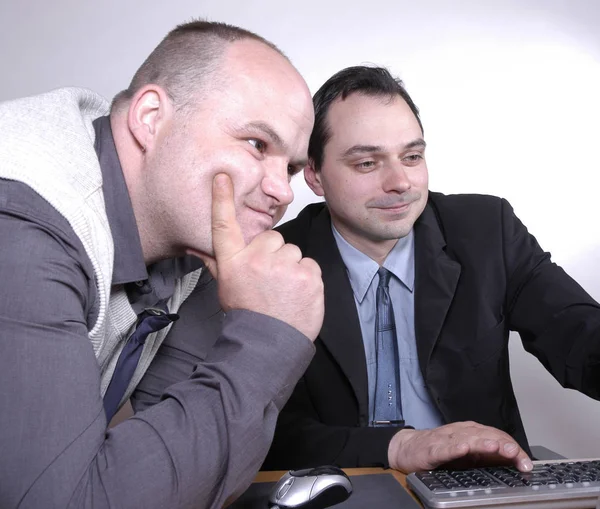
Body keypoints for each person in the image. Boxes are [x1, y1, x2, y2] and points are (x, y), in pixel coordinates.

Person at [0, 19, 324, 509]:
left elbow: (185, 475)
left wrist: (244, 313)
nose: (283, 191)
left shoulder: (187, 234)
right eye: (257, 144)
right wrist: (268, 337)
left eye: (293, 167)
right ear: (151, 118)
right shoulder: (21, 222)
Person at [258, 65, 600, 473]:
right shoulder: (274, 259)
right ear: (314, 174)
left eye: (412, 156)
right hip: (341, 488)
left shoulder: (488, 230)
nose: (400, 182)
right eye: (367, 163)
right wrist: (399, 446)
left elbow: (578, 335)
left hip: (478, 486)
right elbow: (264, 430)